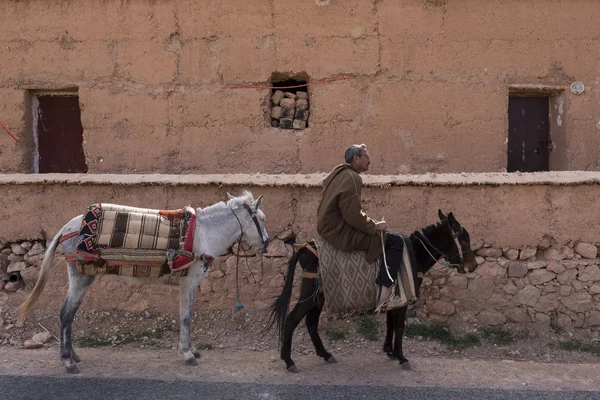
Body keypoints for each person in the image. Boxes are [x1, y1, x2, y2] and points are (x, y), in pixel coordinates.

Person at [316, 144, 405, 307]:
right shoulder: (352, 178)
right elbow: (353, 216)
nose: (369, 161)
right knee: (395, 241)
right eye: (366, 157)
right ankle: (384, 294)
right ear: (356, 159)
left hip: (328, 228)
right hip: (339, 232)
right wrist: (374, 226)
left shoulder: (338, 174)